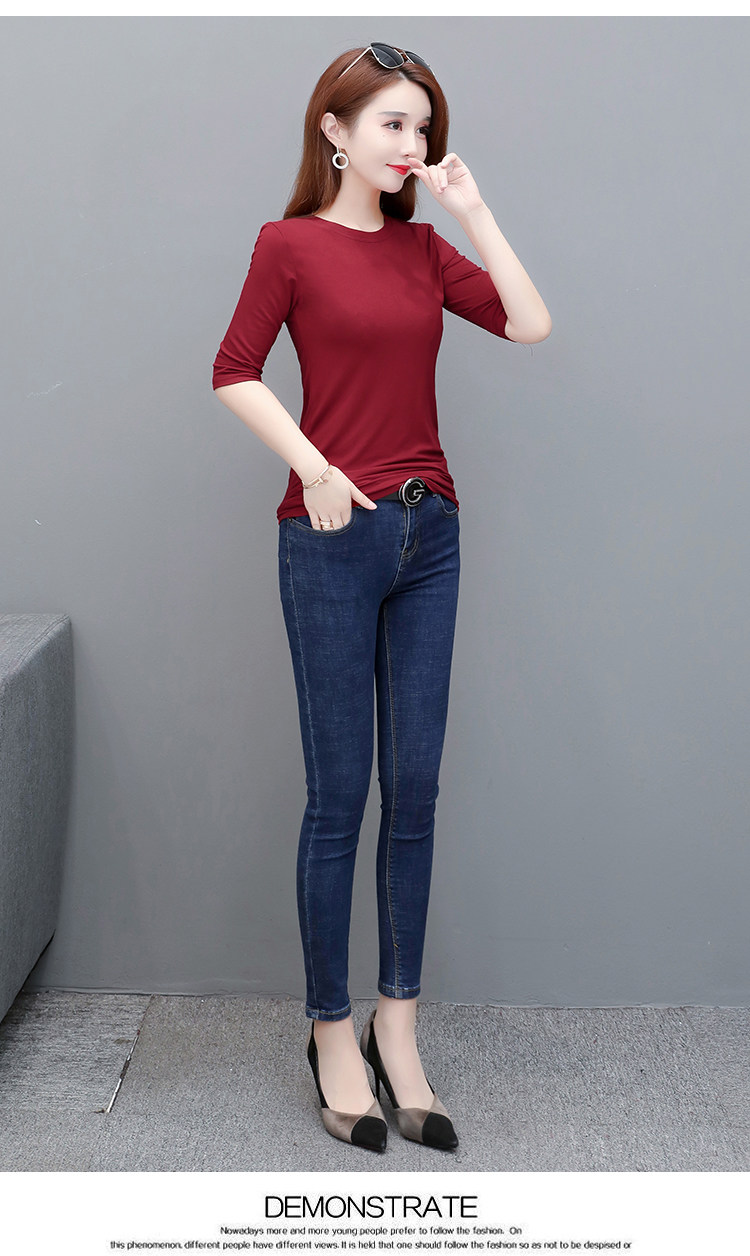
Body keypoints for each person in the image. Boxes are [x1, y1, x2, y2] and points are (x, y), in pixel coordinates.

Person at [212, 42, 551, 1155]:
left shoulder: (421, 248)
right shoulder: (289, 245)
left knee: (414, 792)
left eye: (423, 127)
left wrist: (471, 207)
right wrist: (311, 465)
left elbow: (530, 322)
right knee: (338, 799)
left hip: (428, 532)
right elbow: (233, 368)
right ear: (336, 131)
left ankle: (397, 1028)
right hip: (330, 537)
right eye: (394, 124)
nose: (413, 144)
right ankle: (331, 1032)